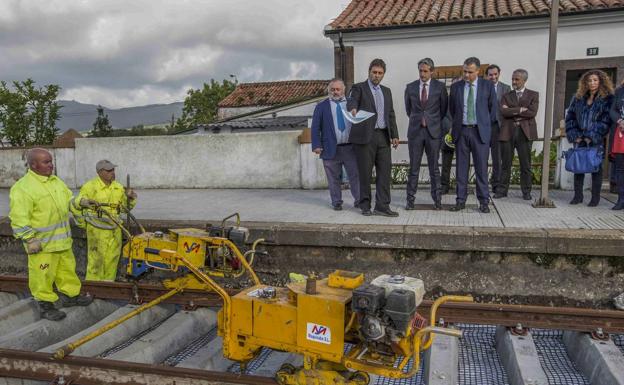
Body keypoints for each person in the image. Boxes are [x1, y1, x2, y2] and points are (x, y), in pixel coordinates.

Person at [9, 148, 93, 321]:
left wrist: (80, 202)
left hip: (62, 242)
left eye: (51, 161)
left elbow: (69, 200)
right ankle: (45, 305)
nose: (51, 165)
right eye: (46, 162)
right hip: (42, 245)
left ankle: (71, 296)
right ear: (33, 164)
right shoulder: (23, 188)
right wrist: (30, 239)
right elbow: (18, 218)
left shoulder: (55, 181)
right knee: (42, 277)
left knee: (67, 271)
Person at [347, 58, 400, 217]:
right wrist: (353, 109)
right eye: (374, 72)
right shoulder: (359, 88)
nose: (376, 75)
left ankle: (382, 206)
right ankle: (365, 205)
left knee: (384, 173)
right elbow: (352, 101)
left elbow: (390, 114)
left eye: (380, 73)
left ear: (383, 74)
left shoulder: (387, 91)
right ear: (369, 72)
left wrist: (395, 135)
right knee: (365, 173)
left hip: (383, 136)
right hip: (365, 138)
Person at [448, 57, 497, 213]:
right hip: (462, 131)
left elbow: (493, 110)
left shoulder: (487, 86)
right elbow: (452, 109)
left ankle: (483, 201)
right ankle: (460, 200)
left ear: (477, 71)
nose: (466, 75)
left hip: (479, 132)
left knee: (481, 168)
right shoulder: (456, 88)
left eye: (470, 72)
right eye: (464, 71)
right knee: (461, 168)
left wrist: (485, 127)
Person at [74, 160, 137, 281]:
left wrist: (131, 198)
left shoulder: (118, 187)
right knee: (96, 260)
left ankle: (108, 285)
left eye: (113, 170)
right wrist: (84, 206)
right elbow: (78, 203)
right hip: (97, 230)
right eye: (109, 171)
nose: (112, 173)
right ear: (100, 172)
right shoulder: (90, 186)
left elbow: (125, 208)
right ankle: (93, 288)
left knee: (112, 259)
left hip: (114, 229)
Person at [565, 69, 614, 206]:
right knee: (578, 166)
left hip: (595, 139)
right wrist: (575, 135)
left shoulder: (607, 98)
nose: (592, 83)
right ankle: (578, 196)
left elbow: (606, 120)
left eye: (595, 80)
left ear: (601, 82)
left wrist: (591, 135)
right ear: (585, 82)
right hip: (579, 138)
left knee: (596, 168)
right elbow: (570, 118)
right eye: (589, 80)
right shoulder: (577, 98)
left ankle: (595, 198)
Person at [404, 58, 448, 210]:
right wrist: (419, 120)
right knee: (414, 168)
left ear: (432, 72)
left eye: (425, 71)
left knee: (434, 168)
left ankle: (437, 200)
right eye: (420, 71)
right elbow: (408, 110)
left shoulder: (440, 87)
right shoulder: (410, 87)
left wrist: (431, 122)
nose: (422, 74)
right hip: (416, 132)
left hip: (433, 133)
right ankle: (410, 200)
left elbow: (443, 110)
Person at [311, 78, 360, 211]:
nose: (335, 92)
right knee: (333, 178)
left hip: (351, 147)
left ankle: (359, 200)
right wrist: (316, 144)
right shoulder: (321, 106)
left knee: (355, 176)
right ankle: (336, 202)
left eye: (338, 89)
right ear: (329, 91)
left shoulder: (352, 103)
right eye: (332, 89)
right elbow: (315, 127)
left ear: (344, 90)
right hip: (329, 148)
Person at [498, 69, 539, 200]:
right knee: (505, 164)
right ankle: (502, 191)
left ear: (524, 80)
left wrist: (511, 110)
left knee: (525, 164)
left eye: (517, 79)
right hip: (508, 132)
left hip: (525, 133)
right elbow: (503, 112)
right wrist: (520, 110)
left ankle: (526, 192)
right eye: (513, 79)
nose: (514, 81)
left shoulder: (533, 94)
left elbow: (532, 113)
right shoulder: (506, 95)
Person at [486, 65, 511, 195]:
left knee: (497, 158)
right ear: (487, 75)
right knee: (482, 157)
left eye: (495, 74)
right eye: (490, 75)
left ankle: (496, 184)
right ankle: (483, 184)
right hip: (485, 126)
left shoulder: (506, 88)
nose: (493, 77)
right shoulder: (482, 87)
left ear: (499, 73)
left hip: (499, 126)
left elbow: (509, 106)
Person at [609, 79, 624, 210]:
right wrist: (620, 120)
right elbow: (612, 110)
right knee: (620, 169)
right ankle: (621, 199)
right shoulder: (619, 91)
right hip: (621, 135)